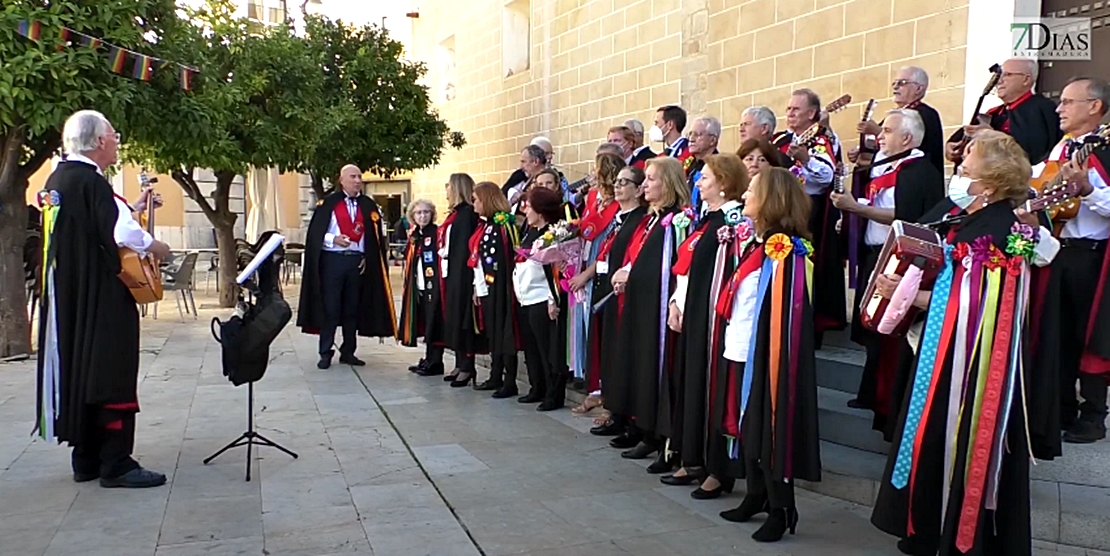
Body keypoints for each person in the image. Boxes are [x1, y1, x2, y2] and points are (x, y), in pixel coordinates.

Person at [871, 134, 1056, 556]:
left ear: (989, 180)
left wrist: (905, 295)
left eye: (968, 160)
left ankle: (953, 533)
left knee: (956, 438)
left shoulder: (998, 228)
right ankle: (927, 525)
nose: (960, 164)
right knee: (932, 433)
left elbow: (971, 303)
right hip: (949, 349)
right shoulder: (976, 220)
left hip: (973, 364)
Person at [36, 109, 172, 488]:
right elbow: (122, 234)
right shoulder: (93, 184)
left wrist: (135, 208)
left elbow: (96, 223)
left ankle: (87, 458)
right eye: (113, 135)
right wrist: (156, 245)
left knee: (82, 370)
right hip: (103, 297)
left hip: (72, 297)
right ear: (98, 141)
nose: (117, 142)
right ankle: (116, 461)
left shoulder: (59, 179)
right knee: (112, 371)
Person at [714, 167, 820, 542]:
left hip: (767, 356)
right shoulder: (759, 244)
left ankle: (781, 507)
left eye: (753, 189)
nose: (745, 194)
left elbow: (787, 314)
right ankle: (756, 495)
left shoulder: (784, 249)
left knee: (770, 431)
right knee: (748, 428)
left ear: (771, 199)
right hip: (741, 348)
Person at [831, 109, 945, 437]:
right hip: (875, 256)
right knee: (873, 333)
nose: (880, 136)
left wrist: (857, 209)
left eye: (888, 131)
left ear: (907, 138)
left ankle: (887, 409)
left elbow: (906, 217)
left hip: (898, 263)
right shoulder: (889, 167)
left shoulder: (919, 171)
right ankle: (872, 396)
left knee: (889, 333)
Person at [662, 153, 749, 500]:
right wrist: (675, 304)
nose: (698, 182)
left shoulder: (733, 221)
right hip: (693, 315)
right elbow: (686, 270)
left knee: (711, 388)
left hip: (715, 321)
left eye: (706, 178)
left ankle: (718, 469)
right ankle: (692, 457)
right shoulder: (704, 221)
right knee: (692, 386)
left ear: (724, 183)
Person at [1029, 76, 1110, 446]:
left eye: (1067, 102)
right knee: (1055, 332)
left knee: (1089, 334)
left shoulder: (1105, 148)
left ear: (1095, 107)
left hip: (1093, 258)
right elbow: (1036, 181)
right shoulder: (1061, 148)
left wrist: (1090, 190)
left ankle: (1093, 416)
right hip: (1058, 250)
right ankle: (1057, 407)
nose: (1058, 109)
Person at [610, 157, 693, 472]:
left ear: (668, 184)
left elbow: (673, 267)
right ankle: (643, 428)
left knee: (656, 368)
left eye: (651, 180)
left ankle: (661, 439)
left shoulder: (676, 221)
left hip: (659, 308)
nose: (644, 185)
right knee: (640, 364)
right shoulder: (651, 220)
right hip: (640, 304)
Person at [297, 164, 396, 369]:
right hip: (333, 262)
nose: (358, 180)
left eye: (359, 176)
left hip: (357, 263)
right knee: (331, 309)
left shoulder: (368, 205)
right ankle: (325, 352)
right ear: (341, 180)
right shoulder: (329, 204)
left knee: (353, 309)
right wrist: (333, 239)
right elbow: (315, 235)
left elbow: (375, 237)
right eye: (353, 177)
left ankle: (348, 351)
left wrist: (368, 256)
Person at [773, 88, 847, 340]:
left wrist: (806, 159)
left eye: (796, 109)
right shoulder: (781, 140)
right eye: (788, 109)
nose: (790, 113)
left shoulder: (818, 140)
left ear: (812, 113)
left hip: (806, 214)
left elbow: (826, 175)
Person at [590, 166, 649, 445]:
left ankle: (628, 418)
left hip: (624, 296)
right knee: (609, 354)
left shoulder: (640, 219)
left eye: (625, 182)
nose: (618, 186)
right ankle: (614, 410)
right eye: (616, 182)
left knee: (621, 355)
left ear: (639, 190)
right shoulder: (618, 217)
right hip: (607, 290)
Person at [567, 152, 625, 412]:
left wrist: (586, 274)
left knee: (598, 326)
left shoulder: (618, 207)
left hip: (601, 269)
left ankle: (602, 390)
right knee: (586, 325)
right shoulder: (593, 198)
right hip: (586, 261)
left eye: (595, 169)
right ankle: (592, 383)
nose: (590, 173)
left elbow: (608, 248)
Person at [945, 57, 1062, 167]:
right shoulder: (994, 113)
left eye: (1007, 75)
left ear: (1026, 79)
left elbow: (1032, 152)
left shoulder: (1041, 108)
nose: (999, 81)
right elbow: (962, 137)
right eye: (999, 75)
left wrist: (991, 135)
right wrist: (951, 147)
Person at [515, 187, 568, 410]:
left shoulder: (552, 234)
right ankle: (537, 386)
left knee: (548, 349)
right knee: (532, 348)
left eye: (529, 206)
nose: (525, 210)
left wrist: (551, 299)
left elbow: (555, 271)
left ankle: (553, 393)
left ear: (540, 210)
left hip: (541, 298)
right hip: (525, 298)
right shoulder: (530, 231)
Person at [468, 182, 522, 394]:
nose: (474, 204)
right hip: (485, 286)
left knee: (503, 332)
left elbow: (505, 259)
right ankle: (495, 375)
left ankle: (509, 381)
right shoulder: (485, 225)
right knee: (492, 333)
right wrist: (477, 287)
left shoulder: (503, 225)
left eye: (476, 199)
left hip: (500, 288)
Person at [439, 174, 486, 383]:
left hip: (463, 273)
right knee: (454, 318)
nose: (446, 189)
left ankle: (467, 365)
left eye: (449, 185)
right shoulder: (456, 214)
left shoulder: (466, 214)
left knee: (464, 319)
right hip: (451, 272)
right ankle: (459, 362)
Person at [398, 199, 446, 376]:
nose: (422, 216)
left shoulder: (436, 233)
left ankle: (435, 362)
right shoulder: (415, 235)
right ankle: (428, 358)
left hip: (432, 286)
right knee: (426, 323)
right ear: (412, 216)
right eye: (418, 213)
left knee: (434, 323)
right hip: (418, 285)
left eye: (426, 212)